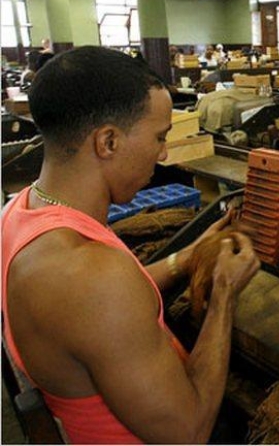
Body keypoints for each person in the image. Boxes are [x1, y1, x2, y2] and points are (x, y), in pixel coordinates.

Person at [1, 46, 261, 443]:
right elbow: (187, 432)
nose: (164, 153)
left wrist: (187, 258)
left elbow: (102, 309)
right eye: (159, 137)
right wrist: (225, 292)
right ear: (107, 141)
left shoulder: (20, 211)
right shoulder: (88, 275)